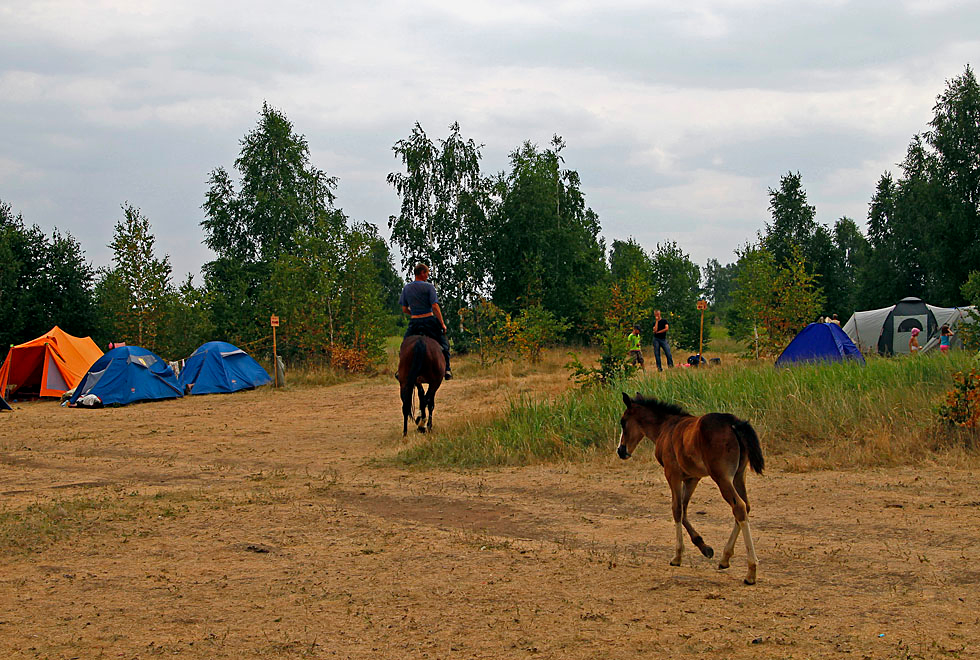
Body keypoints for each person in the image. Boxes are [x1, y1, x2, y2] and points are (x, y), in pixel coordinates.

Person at [399, 263, 452, 379]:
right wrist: (442, 323)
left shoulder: (406, 288)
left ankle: (400, 371)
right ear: (422, 273)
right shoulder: (429, 287)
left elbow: (404, 309)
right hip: (429, 321)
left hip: (414, 323)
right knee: (444, 345)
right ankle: (447, 369)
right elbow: (435, 307)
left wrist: (413, 313)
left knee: (404, 346)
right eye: (427, 273)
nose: (427, 276)